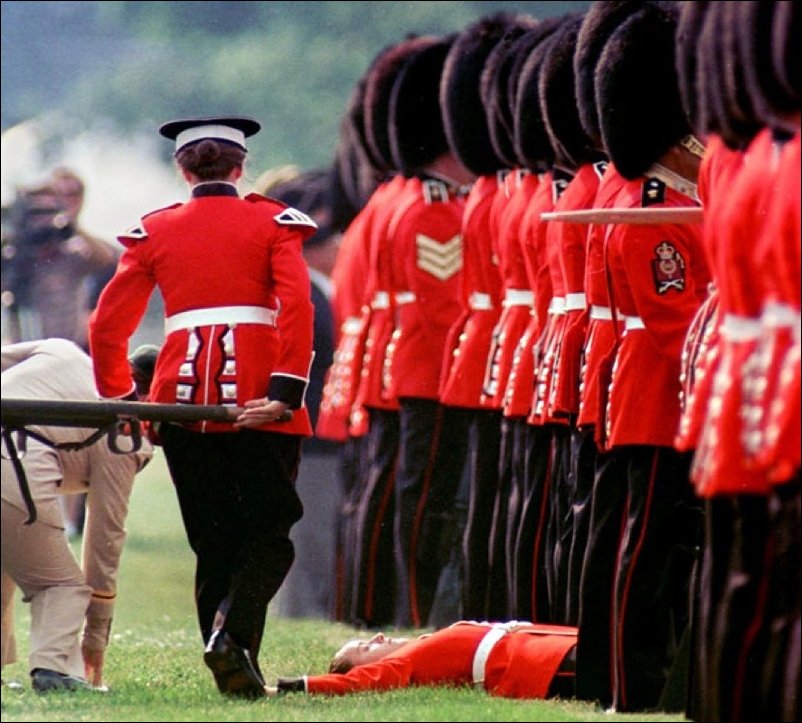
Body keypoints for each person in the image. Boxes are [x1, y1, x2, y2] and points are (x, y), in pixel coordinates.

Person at [87, 116, 317, 699]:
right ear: (240, 168)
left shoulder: (155, 231)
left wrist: (124, 399)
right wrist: (285, 391)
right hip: (259, 395)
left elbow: (107, 325)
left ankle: (235, 667)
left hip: (179, 400)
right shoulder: (271, 221)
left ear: (182, 169)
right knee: (269, 531)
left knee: (213, 539)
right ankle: (232, 638)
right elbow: (297, 307)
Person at [0, 338, 154, 693]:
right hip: (13, 454)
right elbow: (105, 536)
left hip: (16, 450)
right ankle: (54, 671)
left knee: (6, 558)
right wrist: (95, 638)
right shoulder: (126, 432)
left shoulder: (61, 349)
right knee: (61, 584)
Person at [268, 619, 578, 700]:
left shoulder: (416, 647)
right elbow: (348, 684)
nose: (377, 638)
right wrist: (281, 689)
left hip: (540, 641)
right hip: (538, 663)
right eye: (365, 648)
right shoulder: (399, 665)